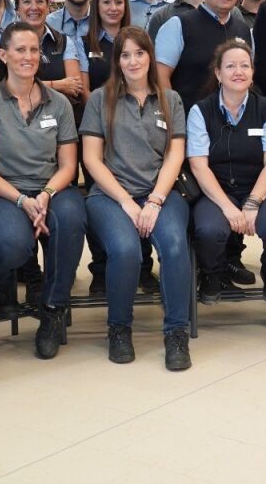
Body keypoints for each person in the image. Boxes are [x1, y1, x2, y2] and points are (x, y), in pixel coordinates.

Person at [0, 23, 86, 360]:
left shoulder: (58, 103)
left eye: (34, 50)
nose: (29, 56)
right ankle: (2, 279)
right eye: (20, 49)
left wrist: (45, 195)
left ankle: (52, 309)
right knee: (12, 244)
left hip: (51, 187)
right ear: (3, 55)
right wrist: (21, 200)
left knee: (71, 220)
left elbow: (68, 165)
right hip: (0, 191)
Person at [81, 26, 192, 371]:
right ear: (117, 61)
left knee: (174, 246)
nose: (133, 61)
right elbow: (91, 160)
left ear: (150, 56)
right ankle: (119, 329)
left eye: (140, 53)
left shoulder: (170, 99)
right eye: (125, 55)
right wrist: (127, 202)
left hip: (160, 193)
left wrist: (155, 200)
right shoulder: (100, 99)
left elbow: (175, 155)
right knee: (126, 250)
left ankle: (176, 333)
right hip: (110, 196)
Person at [186, 40, 266, 304]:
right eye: (230, 66)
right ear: (218, 73)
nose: (238, 72)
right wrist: (228, 208)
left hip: (258, 188)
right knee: (209, 230)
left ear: (252, 73)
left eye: (245, 66)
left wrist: (253, 202)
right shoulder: (200, 111)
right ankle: (211, 275)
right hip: (216, 191)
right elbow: (199, 165)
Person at [156, 0, 252, 110]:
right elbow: (160, 76)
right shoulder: (178, 25)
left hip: (235, 121)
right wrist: (174, 117)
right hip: (188, 120)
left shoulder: (244, 30)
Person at [15, 0, 86, 106]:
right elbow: (11, 87)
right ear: (17, 9)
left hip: (58, 113)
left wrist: (31, 87)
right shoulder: (7, 41)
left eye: (40, 1)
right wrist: (58, 85)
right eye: (27, 2)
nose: (34, 7)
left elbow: (74, 88)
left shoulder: (64, 42)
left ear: (48, 7)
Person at [84, 0, 128, 93]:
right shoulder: (83, 44)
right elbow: (84, 90)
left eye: (119, 2)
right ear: (97, 5)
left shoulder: (136, 40)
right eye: (106, 2)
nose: (113, 8)